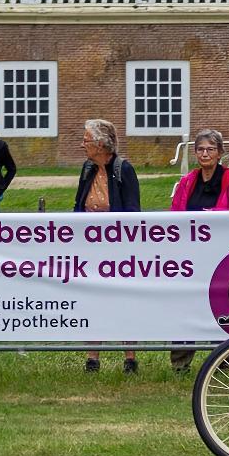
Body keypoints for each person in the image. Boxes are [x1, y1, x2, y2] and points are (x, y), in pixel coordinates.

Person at [168, 128, 229, 372]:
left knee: (220, 306)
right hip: (190, 256)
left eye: (210, 149)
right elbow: (174, 214)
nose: (205, 154)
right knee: (186, 305)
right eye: (200, 149)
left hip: (219, 256)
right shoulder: (187, 182)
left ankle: (221, 361)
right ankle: (180, 363)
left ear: (220, 153)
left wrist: (214, 216)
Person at [75, 118, 141, 374]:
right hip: (90, 247)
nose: (83, 144)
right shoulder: (87, 169)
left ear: (102, 144)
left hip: (118, 249)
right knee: (93, 299)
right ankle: (92, 357)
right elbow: (78, 203)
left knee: (123, 300)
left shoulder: (123, 169)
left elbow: (134, 211)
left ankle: (130, 358)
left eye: (87, 140)